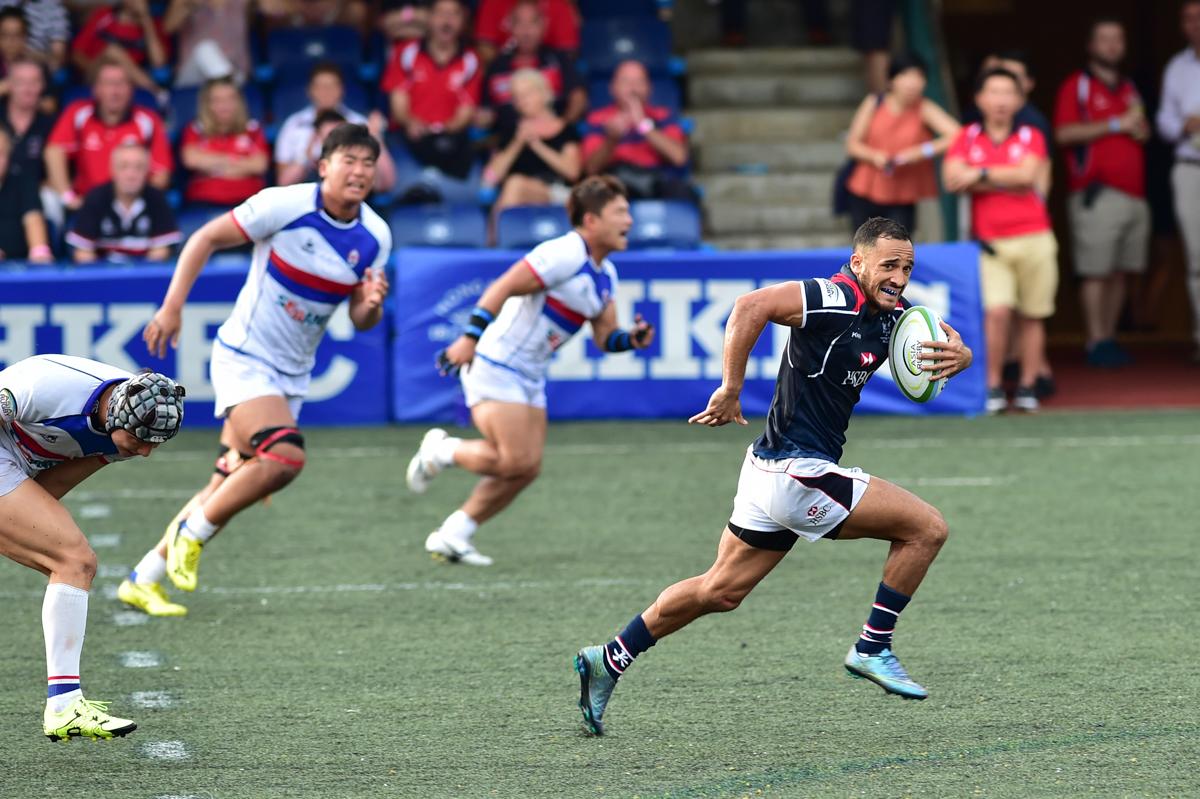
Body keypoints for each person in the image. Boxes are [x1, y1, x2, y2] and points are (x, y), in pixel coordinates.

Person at [572, 217, 971, 735]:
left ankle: (608, 658)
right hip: (797, 473)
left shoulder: (891, 317)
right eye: (888, 264)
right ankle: (873, 645)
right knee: (927, 528)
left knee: (720, 590)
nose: (899, 276)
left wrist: (958, 357)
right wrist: (731, 387)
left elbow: (933, 349)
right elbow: (750, 305)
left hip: (767, 471)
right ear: (858, 262)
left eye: (908, 267)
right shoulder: (833, 295)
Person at [120, 123, 391, 617]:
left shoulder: (376, 236)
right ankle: (191, 534)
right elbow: (204, 238)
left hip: (292, 375)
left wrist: (371, 304)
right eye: (348, 160)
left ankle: (143, 578)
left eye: (368, 163)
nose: (359, 171)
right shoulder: (283, 205)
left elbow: (359, 317)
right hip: (245, 357)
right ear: (323, 165)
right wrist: (172, 306)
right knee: (284, 456)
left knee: (229, 479)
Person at [405, 175, 654, 566]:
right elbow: (502, 286)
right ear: (590, 220)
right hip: (496, 362)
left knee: (526, 469)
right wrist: (469, 338)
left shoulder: (606, 274)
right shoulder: (564, 253)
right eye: (620, 212)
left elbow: (606, 337)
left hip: (530, 375)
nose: (630, 221)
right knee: (516, 461)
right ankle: (442, 450)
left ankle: (454, 533)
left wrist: (631, 339)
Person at [0, 354, 185, 740]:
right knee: (75, 559)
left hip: (14, 469)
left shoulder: (123, 432)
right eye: (140, 440)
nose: (146, 451)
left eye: (155, 444)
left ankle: (64, 704)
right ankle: (64, 705)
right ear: (117, 416)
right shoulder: (43, 386)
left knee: (70, 560)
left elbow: (47, 492)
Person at [943, 68, 1056, 415]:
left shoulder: (1032, 134)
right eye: (993, 92)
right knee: (997, 312)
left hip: (1036, 236)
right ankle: (992, 386)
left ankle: (1027, 384)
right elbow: (951, 180)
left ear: (1020, 99)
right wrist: (1005, 176)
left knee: (1034, 315)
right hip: (990, 242)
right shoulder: (966, 135)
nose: (1001, 100)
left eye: (1009, 93)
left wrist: (978, 174)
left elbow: (1027, 175)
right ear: (979, 98)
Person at [1054, 18, 1150, 368]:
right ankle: (1095, 340)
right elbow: (1063, 133)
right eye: (1104, 39)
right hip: (1096, 192)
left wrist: (1139, 129)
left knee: (1122, 270)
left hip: (1134, 193)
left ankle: (1109, 337)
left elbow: (1137, 125)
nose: (1112, 45)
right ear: (1091, 46)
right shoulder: (1077, 85)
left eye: (1118, 39)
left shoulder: (1128, 87)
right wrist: (1115, 124)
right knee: (1096, 270)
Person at [844, 52, 960, 234]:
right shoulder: (875, 102)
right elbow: (852, 144)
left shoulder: (924, 107)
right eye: (905, 75)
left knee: (897, 251)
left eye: (919, 76)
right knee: (865, 249)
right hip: (865, 189)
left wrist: (922, 151)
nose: (912, 82)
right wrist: (875, 156)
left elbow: (958, 135)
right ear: (891, 80)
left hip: (903, 194)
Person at [44, 57, 172, 213]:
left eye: (121, 83)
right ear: (96, 89)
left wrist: (134, 206)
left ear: (131, 89)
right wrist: (68, 197)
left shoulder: (148, 120)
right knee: (47, 196)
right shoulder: (78, 113)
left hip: (132, 207)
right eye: (108, 83)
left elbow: (161, 175)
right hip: (86, 205)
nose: (115, 90)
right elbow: (54, 151)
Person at [382, 0, 481, 180]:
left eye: (454, 14)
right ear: (429, 18)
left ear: (463, 21)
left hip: (451, 139)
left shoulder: (471, 59)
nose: (447, 21)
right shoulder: (406, 52)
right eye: (441, 13)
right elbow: (398, 105)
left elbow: (466, 111)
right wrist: (410, 122)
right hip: (408, 138)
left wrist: (445, 129)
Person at [483, 67, 580, 239]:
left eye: (527, 94)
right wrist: (518, 143)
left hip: (558, 192)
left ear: (545, 94)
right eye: (516, 97)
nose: (522, 101)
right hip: (517, 196)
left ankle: (494, 242)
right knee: (514, 184)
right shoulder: (511, 132)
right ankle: (499, 242)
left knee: (516, 183)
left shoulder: (566, 130)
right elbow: (489, 179)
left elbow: (572, 172)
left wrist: (536, 144)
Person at [1157, 0, 1200, 363]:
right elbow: (1163, 122)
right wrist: (1184, 125)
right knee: (1197, 260)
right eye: (1189, 18)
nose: (1196, 23)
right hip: (1191, 166)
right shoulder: (1176, 67)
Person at [581, 60, 691, 201]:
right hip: (616, 183)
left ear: (649, 88)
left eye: (639, 82)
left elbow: (679, 157)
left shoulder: (663, 116)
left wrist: (644, 126)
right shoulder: (598, 119)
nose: (633, 88)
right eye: (626, 82)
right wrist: (611, 140)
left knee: (682, 192)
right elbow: (591, 168)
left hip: (657, 181)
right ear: (613, 88)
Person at [477, 0, 586, 138]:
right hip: (510, 141)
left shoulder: (558, 60)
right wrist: (484, 119)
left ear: (543, 26)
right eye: (520, 24)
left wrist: (562, 124)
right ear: (511, 27)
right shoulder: (497, 66)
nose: (526, 31)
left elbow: (578, 98)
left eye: (532, 23)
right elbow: (485, 110)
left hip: (554, 137)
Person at [67, 142, 181, 263]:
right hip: (104, 276)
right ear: (112, 169)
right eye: (124, 166)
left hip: (142, 276)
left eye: (139, 167)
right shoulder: (95, 198)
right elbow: (82, 253)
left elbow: (161, 252)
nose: (131, 174)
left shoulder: (157, 199)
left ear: (147, 171)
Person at [274, 61, 369, 185]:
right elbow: (283, 182)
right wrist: (306, 154)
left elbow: (374, 179)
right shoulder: (294, 124)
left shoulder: (359, 123)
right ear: (309, 90)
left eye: (331, 86)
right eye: (320, 86)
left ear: (342, 89)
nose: (326, 91)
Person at [181, 76, 269, 207]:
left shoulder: (253, 128)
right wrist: (239, 162)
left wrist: (212, 167)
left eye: (230, 98)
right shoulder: (195, 129)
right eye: (217, 100)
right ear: (207, 104)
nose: (224, 105)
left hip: (249, 201)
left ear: (239, 102)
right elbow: (191, 160)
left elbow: (259, 165)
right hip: (204, 201)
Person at [72, 0, 170, 98]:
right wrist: (99, 72)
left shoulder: (153, 25)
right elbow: (77, 54)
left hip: (130, 79)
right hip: (97, 74)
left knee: (116, 55)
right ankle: (157, 93)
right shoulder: (104, 15)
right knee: (113, 52)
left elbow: (159, 62)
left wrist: (145, 18)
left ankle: (156, 94)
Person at [163, 0, 252, 88]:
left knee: (208, 50)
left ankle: (228, 84)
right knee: (205, 49)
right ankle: (231, 88)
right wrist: (189, 5)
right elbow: (168, 28)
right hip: (193, 73)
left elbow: (266, 8)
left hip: (235, 67)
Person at [0, 125, 52, 262]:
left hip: (18, 267)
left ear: (8, 157)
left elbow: (33, 219)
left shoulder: (22, 182)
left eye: (0, 153)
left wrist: (39, 251)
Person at [1, 56, 53, 187]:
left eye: (34, 82)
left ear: (43, 86)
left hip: (36, 196)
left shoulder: (51, 124)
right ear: (9, 85)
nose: (27, 89)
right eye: (20, 82)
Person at [473, 0, 578, 64]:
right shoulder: (493, 2)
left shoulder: (558, 5)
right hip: (506, 71)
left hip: (546, 71)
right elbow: (484, 48)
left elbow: (567, 54)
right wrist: (504, 67)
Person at [0, 0, 69, 72]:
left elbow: (57, 59)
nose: (10, 41)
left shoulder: (54, 9)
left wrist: (30, 56)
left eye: (17, 36)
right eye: (4, 35)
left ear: (25, 38)